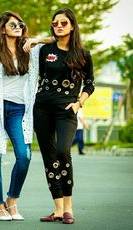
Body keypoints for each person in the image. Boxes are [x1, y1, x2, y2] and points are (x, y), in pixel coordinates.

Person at [0, 11, 54, 221]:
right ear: (2, 29)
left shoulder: (31, 49)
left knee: (24, 156)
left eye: (20, 24)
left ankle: (12, 201)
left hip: (19, 110)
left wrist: (35, 40)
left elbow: (56, 38)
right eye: (12, 25)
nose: (18, 27)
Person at [33, 8, 95, 224]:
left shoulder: (83, 54)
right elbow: (37, 75)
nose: (59, 26)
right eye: (55, 23)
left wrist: (79, 103)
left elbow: (89, 84)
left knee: (63, 152)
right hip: (41, 109)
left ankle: (68, 207)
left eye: (63, 23)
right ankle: (58, 209)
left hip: (67, 110)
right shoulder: (45, 50)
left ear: (72, 26)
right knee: (49, 158)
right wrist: (37, 41)